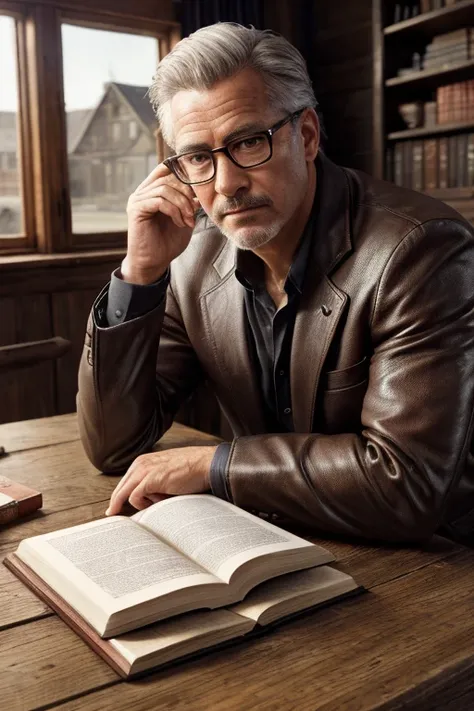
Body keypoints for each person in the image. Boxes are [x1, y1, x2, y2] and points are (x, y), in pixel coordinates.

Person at [77, 22, 474, 544]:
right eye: (198, 157)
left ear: (306, 135)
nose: (225, 183)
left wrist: (216, 465)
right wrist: (140, 274)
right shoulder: (192, 261)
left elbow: (406, 483)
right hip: (274, 539)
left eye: (247, 142)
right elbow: (112, 446)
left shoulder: (421, 250)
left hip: (433, 563)